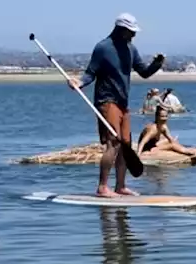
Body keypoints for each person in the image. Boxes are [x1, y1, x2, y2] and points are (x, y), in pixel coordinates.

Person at [70, 13, 165, 198]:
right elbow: (91, 73)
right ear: (120, 29)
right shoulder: (103, 48)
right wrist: (79, 82)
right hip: (106, 100)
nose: (134, 35)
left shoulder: (131, 49)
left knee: (125, 145)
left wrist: (157, 64)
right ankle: (102, 187)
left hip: (123, 103)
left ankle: (120, 186)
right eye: (131, 31)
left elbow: (144, 72)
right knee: (113, 143)